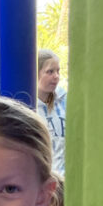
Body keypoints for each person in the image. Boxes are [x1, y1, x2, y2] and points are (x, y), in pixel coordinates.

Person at [36, 49, 66, 177]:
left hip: (65, 180)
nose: (56, 76)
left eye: (58, 71)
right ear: (36, 74)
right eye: (50, 72)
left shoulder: (65, 101)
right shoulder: (29, 106)